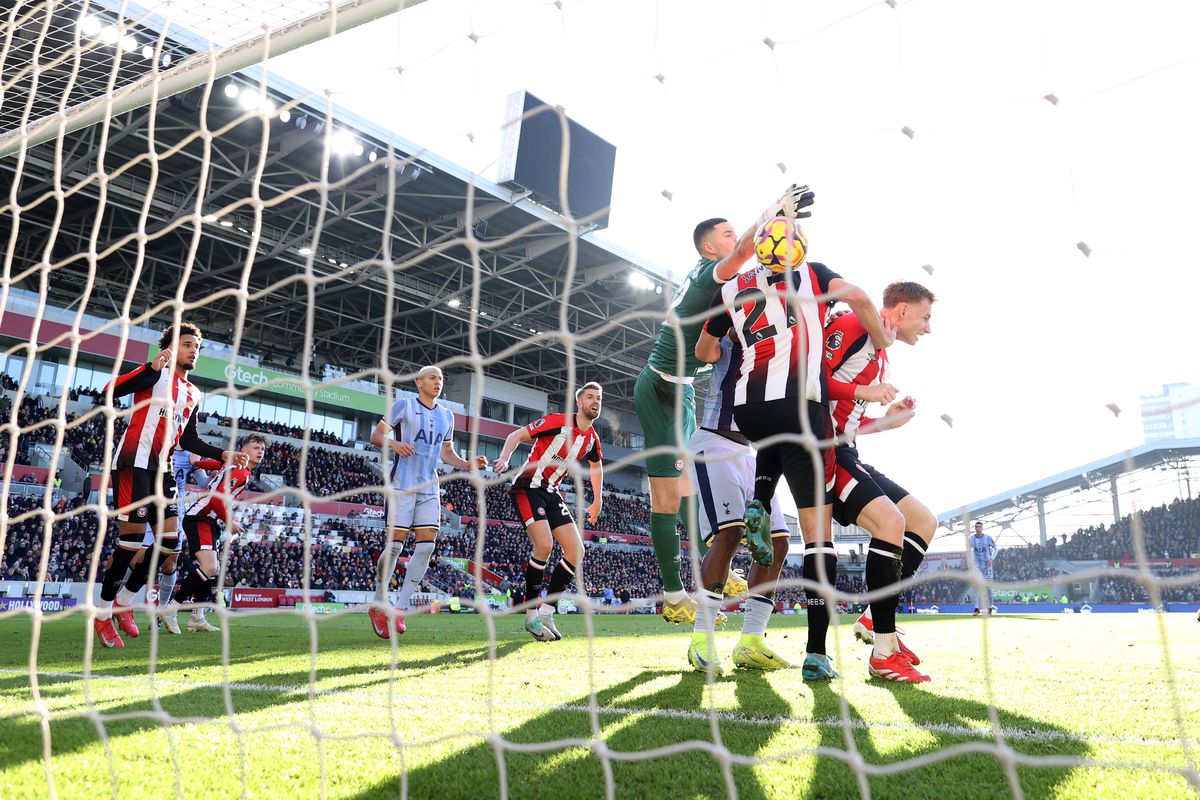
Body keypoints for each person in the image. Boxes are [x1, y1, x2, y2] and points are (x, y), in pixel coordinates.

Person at [696, 217, 892, 681]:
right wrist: (881, 339)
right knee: (818, 538)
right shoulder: (814, 272)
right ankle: (816, 654)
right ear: (798, 249)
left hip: (749, 409)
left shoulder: (732, 287)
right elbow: (861, 298)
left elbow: (706, 352)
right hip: (802, 406)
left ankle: (760, 500)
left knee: (776, 448)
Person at [633, 185, 815, 624]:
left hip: (688, 392)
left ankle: (718, 573)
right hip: (659, 387)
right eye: (730, 235)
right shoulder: (710, 271)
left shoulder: (730, 286)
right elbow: (743, 258)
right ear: (709, 246)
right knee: (666, 499)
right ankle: (674, 595)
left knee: (694, 493)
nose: (740, 242)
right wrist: (771, 212)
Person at [93, 323, 247, 649]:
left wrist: (222, 453)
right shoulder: (154, 374)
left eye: (197, 346)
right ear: (171, 347)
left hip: (163, 472)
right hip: (135, 464)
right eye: (187, 344)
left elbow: (188, 439)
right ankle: (103, 613)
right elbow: (110, 389)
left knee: (169, 544)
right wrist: (150, 368)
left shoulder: (193, 394)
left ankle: (124, 601)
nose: (193, 350)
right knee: (132, 543)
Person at [824, 281, 938, 683]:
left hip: (848, 449)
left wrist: (888, 419)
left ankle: (875, 618)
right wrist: (865, 391)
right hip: (822, 452)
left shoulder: (882, 353)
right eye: (925, 317)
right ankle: (883, 654)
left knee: (923, 521)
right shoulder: (854, 325)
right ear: (902, 310)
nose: (928, 328)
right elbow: (811, 384)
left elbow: (852, 418)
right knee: (891, 523)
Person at [686, 333, 791, 675]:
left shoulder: (779, 346)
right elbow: (703, 349)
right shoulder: (730, 337)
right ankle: (702, 638)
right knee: (729, 535)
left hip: (751, 452)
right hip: (715, 441)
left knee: (778, 540)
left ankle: (751, 641)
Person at [367, 365, 487, 639]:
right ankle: (378, 599)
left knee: (426, 548)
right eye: (433, 377)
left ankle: (399, 607)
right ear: (419, 382)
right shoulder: (403, 406)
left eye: (441, 378)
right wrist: (394, 445)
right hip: (402, 484)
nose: (438, 382)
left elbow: (447, 454)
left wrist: (468, 464)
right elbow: (376, 436)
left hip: (430, 487)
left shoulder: (447, 415)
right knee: (396, 546)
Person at [495, 382, 604, 641]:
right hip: (527, 487)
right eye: (590, 397)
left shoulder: (591, 439)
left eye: (599, 398)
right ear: (579, 403)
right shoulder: (558, 422)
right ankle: (530, 615)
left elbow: (597, 467)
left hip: (551, 491)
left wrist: (597, 500)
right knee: (544, 546)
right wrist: (504, 458)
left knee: (576, 551)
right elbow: (516, 436)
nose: (595, 402)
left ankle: (546, 611)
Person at [174, 434, 267, 632]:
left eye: (262, 449)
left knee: (212, 569)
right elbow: (217, 498)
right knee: (209, 567)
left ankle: (197, 617)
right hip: (201, 517)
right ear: (243, 450)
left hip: (209, 519)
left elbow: (216, 465)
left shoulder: (234, 466)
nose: (260, 451)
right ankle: (171, 608)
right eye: (256, 447)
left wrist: (198, 463)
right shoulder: (240, 472)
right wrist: (229, 522)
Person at [971, 522, 998, 615]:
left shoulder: (988, 538)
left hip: (987, 566)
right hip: (977, 566)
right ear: (975, 528)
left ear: (982, 528)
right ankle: (976, 608)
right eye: (976, 527)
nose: (978, 528)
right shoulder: (971, 539)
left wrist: (991, 558)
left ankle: (990, 608)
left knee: (988, 588)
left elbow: (996, 549)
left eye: (979, 527)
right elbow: (969, 550)